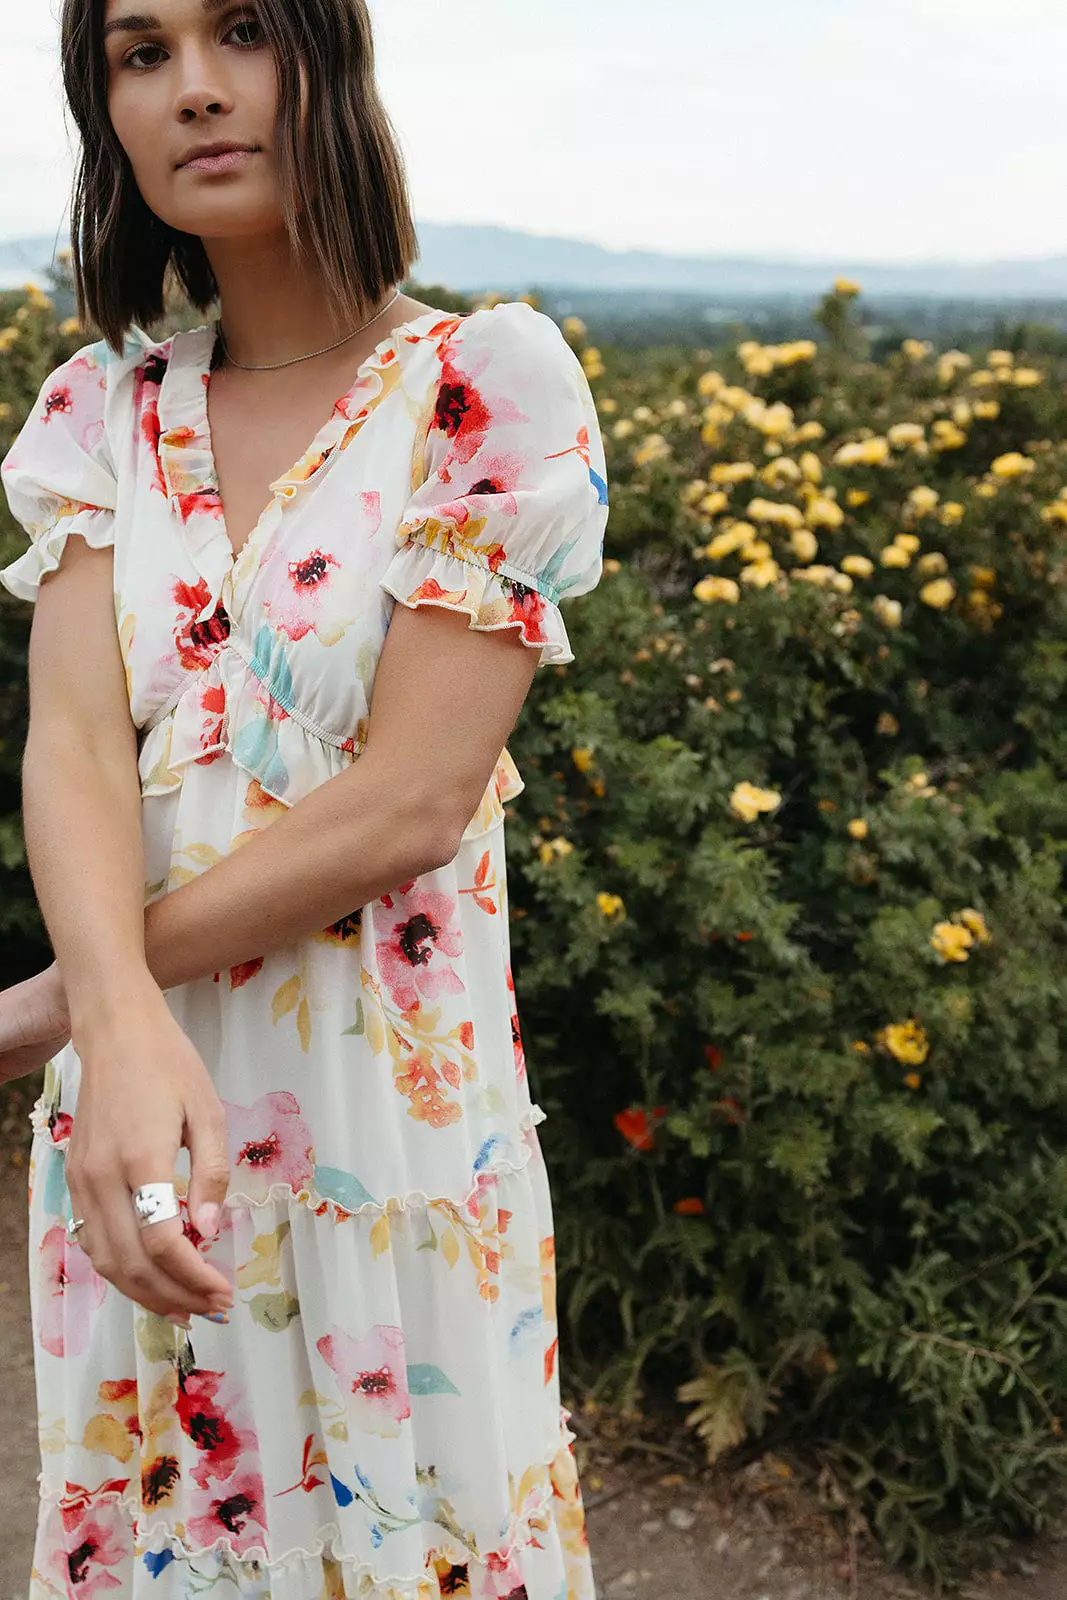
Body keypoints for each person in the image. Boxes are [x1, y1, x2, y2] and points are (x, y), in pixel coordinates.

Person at [0, 0, 609, 1593]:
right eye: (140, 53)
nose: (195, 88)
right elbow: (70, 746)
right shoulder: (95, 413)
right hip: (136, 1127)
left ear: (328, 58)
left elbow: (413, 798)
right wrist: (119, 1044)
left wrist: (67, 998)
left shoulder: (487, 379)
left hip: (390, 1137)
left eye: (243, 32)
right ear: (107, 113)